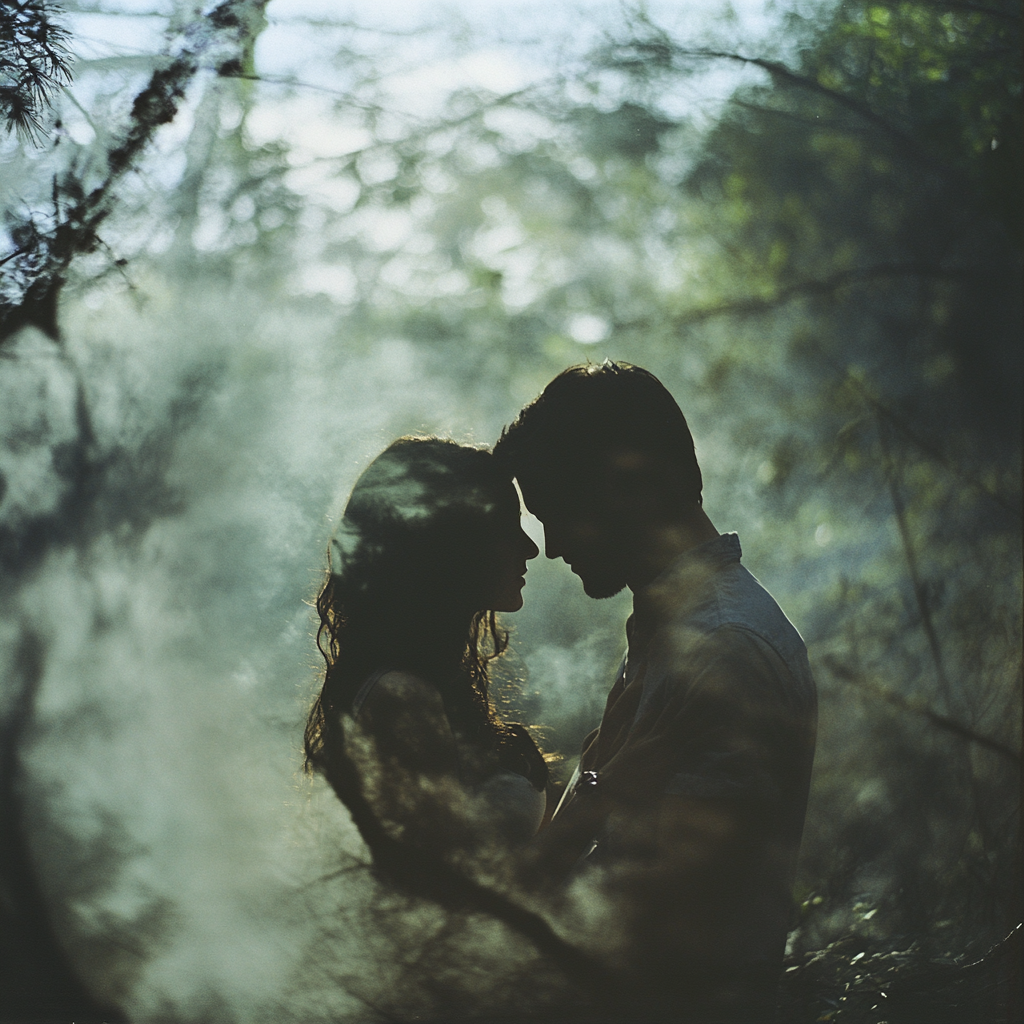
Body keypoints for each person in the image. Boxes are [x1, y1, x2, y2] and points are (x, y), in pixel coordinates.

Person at [494, 361, 818, 1023]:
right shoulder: (668, 632)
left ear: (632, 487)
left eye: (558, 513)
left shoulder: (722, 650)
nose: (551, 548)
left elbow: (676, 927)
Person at [304, 436, 548, 859]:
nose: (530, 548)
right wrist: (605, 792)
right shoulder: (402, 698)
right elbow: (458, 894)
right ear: (452, 544)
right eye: (508, 528)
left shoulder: (424, 685)